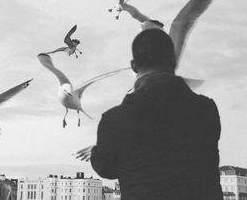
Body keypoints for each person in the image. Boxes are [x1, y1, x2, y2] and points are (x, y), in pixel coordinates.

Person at [90, 29, 223, 200]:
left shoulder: (114, 121)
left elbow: (106, 168)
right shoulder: (206, 110)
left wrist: (96, 150)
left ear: (134, 66)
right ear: (174, 62)